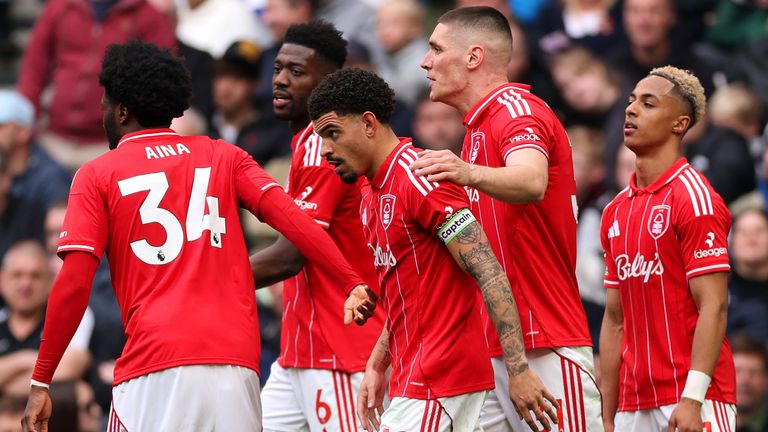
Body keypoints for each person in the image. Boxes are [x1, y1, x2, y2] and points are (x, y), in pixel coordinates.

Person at [20, 40, 376, 432]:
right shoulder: (224, 155)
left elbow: (74, 282)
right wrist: (351, 281)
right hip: (234, 368)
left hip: (153, 368)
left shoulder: (97, 174)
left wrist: (41, 380)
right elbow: (295, 221)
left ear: (122, 111)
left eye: (105, 103)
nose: (102, 112)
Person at [310, 67, 558, 432]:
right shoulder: (369, 192)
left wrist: (518, 369)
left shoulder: (420, 177)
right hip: (414, 378)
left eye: (332, 133)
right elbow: (407, 295)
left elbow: (487, 269)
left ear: (367, 124)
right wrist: (378, 364)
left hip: (440, 381)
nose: (326, 150)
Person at [412, 7, 599, 431]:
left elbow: (531, 179)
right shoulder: (477, 128)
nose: (425, 62)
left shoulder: (513, 108)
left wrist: (466, 171)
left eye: (436, 49)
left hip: (545, 343)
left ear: (474, 57)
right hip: (499, 346)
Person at [248, 21, 385, 431]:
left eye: (297, 72)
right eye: (277, 69)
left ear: (329, 82)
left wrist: (207, 278)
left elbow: (291, 256)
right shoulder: (303, 143)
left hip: (341, 350)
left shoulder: (322, 143)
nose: (281, 81)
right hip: (300, 352)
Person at [599, 66, 736, 432]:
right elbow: (614, 321)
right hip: (632, 404)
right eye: (630, 102)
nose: (631, 110)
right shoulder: (614, 211)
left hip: (693, 399)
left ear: (679, 124)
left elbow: (715, 306)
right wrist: (607, 416)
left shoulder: (695, 198)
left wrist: (693, 399)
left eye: (648, 104)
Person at [17, 0, 176, 171]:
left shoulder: (147, 14)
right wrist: (24, 117)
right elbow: (34, 68)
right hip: (53, 140)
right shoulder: (61, 7)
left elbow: (162, 78)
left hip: (110, 145)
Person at [0, 241, 93, 397]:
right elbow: (59, 370)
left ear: (50, 280)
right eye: (17, 275)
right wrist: (26, 360)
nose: (25, 284)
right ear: (2, 279)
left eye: (35, 276)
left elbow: (69, 367)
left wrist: (5, 383)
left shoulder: (70, 316)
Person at [730, 333, 768, 432]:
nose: (744, 380)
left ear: (766, 380)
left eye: (753, 372)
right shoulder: (699, 422)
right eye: (737, 371)